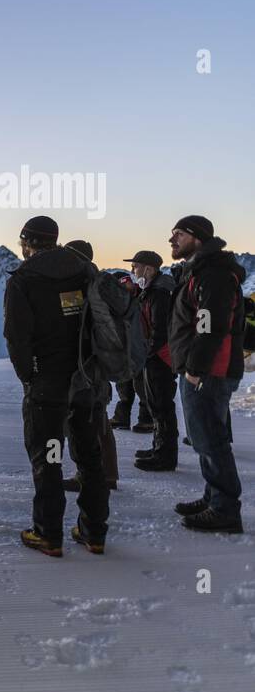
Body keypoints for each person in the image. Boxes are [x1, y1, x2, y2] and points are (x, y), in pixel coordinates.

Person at [3, 217, 110, 556]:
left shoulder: (24, 279)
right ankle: (94, 533)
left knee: (49, 456)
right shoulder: (84, 269)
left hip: (48, 384)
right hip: (86, 378)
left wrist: (29, 377)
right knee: (90, 456)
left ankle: (48, 533)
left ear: (27, 242)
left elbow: (17, 337)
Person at [167, 216, 246, 533]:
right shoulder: (201, 271)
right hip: (202, 370)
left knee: (211, 440)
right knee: (204, 439)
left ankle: (225, 509)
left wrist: (196, 369)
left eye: (178, 234)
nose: (171, 240)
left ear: (197, 238)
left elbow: (209, 326)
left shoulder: (212, 275)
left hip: (208, 372)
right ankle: (214, 496)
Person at [61, 241, 118, 494]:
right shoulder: (97, 281)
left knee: (87, 420)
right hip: (99, 361)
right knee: (99, 418)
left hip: (85, 362)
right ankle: (107, 474)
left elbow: (72, 321)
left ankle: (93, 475)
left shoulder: (81, 283)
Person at [127, 250, 179, 472]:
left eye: (136, 266)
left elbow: (160, 329)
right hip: (156, 356)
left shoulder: (159, 292)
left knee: (161, 405)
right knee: (156, 404)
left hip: (161, 357)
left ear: (148, 269)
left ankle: (165, 456)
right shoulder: (151, 290)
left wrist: (147, 352)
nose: (133, 271)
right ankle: (159, 447)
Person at [110, 272, 153, 433]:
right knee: (124, 384)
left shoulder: (139, 297)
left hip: (138, 347)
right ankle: (122, 417)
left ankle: (146, 419)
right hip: (124, 348)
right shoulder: (118, 301)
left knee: (141, 384)